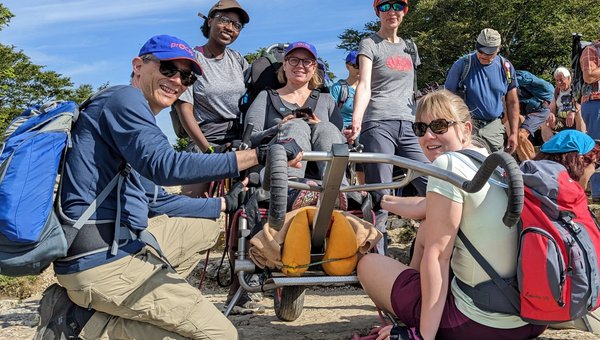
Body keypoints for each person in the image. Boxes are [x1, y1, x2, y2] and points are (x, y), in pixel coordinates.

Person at [34, 34, 302, 340]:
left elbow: (155, 201)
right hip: (101, 262)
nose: (177, 80)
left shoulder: (137, 121)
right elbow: (166, 167)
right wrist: (256, 155)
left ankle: (130, 305)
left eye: (186, 76)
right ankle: (83, 325)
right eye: (168, 69)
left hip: (118, 246)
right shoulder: (124, 100)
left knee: (205, 228)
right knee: (220, 335)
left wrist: (226, 204)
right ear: (138, 66)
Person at [357, 90, 547, 340]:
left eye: (439, 125)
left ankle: (419, 318)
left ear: (466, 129)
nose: (427, 135)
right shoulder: (491, 163)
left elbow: (437, 257)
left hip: (477, 325)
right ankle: (417, 302)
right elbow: (426, 206)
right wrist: (386, 200)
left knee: (368, 264)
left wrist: (422, 335)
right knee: (429, 224)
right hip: (530, 319)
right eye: (420, 127)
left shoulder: (447, 165)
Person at [347, 0, 429, 254]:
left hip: (408, 124)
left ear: (405, 11)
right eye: (384, 7)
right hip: (378, 122)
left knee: (433, 181)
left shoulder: (410, 46)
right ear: (377, 12)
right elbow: (364, 84)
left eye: (397, 6)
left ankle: (435, 249)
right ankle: (377, 259)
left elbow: (412, 91)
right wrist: (356, 121)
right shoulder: (370, 43)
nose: (391, 12)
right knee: (381, 195)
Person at [175, 0, 250, 197]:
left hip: (238, 136)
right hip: (205, 137)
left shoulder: (238, 60)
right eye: (224, 20)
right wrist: (207, 150)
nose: (230, 28)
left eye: (237, 25)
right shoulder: (192, 59)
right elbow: (185, 110)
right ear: (209, 21)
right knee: (192, 205)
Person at [245, 41, 345, 180]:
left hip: (320, 171)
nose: (300, 65)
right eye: (294, 60)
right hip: (277, 169)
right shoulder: (266, 97)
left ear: (314, 67)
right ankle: (292, 185)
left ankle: (338, 188)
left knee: (326, 127)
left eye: (307, 61)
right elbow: (249, 139)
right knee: (296, 125)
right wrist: (279, 128)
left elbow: (342, 140)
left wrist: (318, 127)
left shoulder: (326, 99)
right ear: (284, 65)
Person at [445, 28, 520, 154]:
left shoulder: (505, 67)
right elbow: (446, 99)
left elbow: (512, 102)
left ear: (498, 49)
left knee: (496, 169)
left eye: (489, 53)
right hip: (467, 126)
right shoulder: (462, 65)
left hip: (494, 129)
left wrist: (513, 133)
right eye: (481, 51)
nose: (484, 55)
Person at [513, 69, 554, 161]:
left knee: (521, 135)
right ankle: (526, 165)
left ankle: (535, 164)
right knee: (516, 137)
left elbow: (549, 91)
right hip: (527, 112)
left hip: (540, 110)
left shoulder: (516, 76)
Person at [580, 28, 600, 203]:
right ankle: (589, 194)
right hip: (595, 104)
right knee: (595, 152)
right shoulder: (591, 50)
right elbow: (589, 75)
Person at [541, 66, 585, 142]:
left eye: (561, 80)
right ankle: (551, 147)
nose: (559, 83)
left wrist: (572, 112)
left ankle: (581, 142)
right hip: (562, 122)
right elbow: (552, 108)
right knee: (544, 120)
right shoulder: (556, 91)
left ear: (568, 78)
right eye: (557, 80)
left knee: (579, 113)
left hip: (575, 120)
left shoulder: (576, 88)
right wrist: (550, 114)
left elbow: (580, 102)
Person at [330, 51, 359, 127]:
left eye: (363, 65)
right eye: (356, 65)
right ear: (347, 66)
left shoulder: (372, 88)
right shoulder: (338, 88)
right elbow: (330, 113)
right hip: (344, 133)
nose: (360, 69)